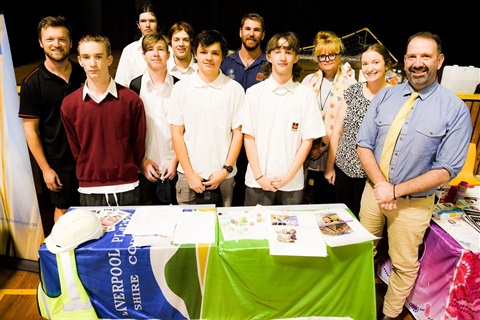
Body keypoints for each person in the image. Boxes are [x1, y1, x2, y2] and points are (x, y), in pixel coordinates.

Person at [356, 31, 472, 320]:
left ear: (439, 60)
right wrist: (383, 186)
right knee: (360, 253)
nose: (418, 63)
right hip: (373, 193)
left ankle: (389, 315)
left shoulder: (455, 110)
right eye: (412, 56)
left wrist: (395, 191)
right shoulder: (386, 95)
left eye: (425, 56)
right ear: (404, 61)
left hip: (413, 204)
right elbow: (364, 144)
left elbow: (448, 168)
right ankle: (356, 306)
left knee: (404, 265)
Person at [61, 35, 147, 206]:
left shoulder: (131, 100)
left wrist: (124, 168)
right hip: (90, 188)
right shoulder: (70, 104)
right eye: (86, 57)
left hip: (127, 186)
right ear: (80, 61)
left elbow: (138, 144)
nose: (92, 63)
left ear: (109, 60)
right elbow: (76, 148)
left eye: (98, 56)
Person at [18, 16, 86, 230]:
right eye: (50, 39)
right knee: (63, 212)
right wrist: (46, 169)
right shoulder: (32, 83)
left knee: (91, 209)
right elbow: (31, 130)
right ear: (40, 42)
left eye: (62, 39)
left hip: (87, 156)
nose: (56, 44)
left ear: (70, 42)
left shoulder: (82, 72)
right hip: (59, 163)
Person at [242, 32, 325, 206]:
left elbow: (307, 140)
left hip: (292, 183)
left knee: (290, 232)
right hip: (257, 181)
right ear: (269, 57)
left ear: (296, 57)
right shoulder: (254, 93)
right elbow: (248, 137)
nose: (283, 57)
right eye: (278, 51)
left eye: (288, 52)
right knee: (256, 230)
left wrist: (289, 176)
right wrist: (259, 176)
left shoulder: (306, 95)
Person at [168, 29, 245, 207]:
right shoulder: (181, 88)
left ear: (223, 56)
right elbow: (176, 133)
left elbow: (237, 133)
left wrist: (225, 170)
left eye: (215, 53)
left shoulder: (234, 89)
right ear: (195, 54)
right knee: (188, 231)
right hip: (188, 176)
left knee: (221, 230)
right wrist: (190, 174)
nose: (208, 58)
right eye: (203, 52)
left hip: (224, 176)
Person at [324, 44, 393, 218]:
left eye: (375, 62)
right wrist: (329, 166)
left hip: (372, 175)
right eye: (365, 64)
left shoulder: (395, 96)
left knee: (364, 220)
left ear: (387, 64)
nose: (370, 68)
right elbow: (338, 130)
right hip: (344, 167)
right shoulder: (354, 91)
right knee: (342, 218)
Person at [302, 31, 356, 204]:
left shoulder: (350, 84)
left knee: (328, 200)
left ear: (339, 56)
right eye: (322, 56)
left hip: (335, 153)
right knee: (306, 198)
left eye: (331, 54)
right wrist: (312, 147)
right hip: (308, 150)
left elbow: (349, 124)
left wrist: (323, 147)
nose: (326, 59)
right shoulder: (308, 81)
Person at [220, 12, 268, 206]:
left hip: (258, 141)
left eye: (256, 30)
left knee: (254, 190)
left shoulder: (270, 64)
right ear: (240, 32)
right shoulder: (226, 63)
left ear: (263, 35)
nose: (251, 33)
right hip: (231, 139)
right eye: (247, 29)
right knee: (232, 190)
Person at [129, 32, 179, 205]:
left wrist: (175, 160)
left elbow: (188, 130)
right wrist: (142, 162)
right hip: (146, 168)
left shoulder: (180, 86)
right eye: (150, 49)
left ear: (168, 53)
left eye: (160, 49)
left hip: (176, 167)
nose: (156, 54)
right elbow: (131, 131)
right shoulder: (134, 87)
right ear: (143, 55)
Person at [115, 3, 161, 87]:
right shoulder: (129, 51)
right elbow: (121, 84)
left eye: (152, 21)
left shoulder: (168, 50)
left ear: (157, 23)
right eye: (143, 21)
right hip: (136, 97)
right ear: (138, 24)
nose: (147, 25)